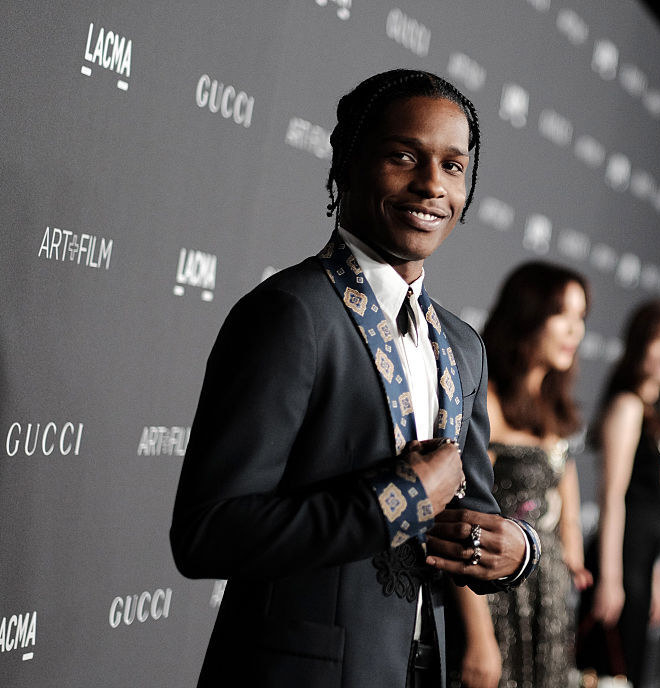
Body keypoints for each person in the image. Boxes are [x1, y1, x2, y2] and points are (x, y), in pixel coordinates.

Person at [169, 69, 539, 688]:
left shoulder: (462, 346)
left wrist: (513, 552)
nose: (431, 185)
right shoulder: (291, 314)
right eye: (403, 156)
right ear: (345, 164)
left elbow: (472, 512)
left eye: (453, 166)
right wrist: (398, 500)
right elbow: (209, 532)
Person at [449, 261, 592, 688]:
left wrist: (572, 555)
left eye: (581, 317)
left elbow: (563, 488)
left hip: (548, 601)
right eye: (561, 315)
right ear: (527, 315)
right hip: (496, 599)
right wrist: (480, 638)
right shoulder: (486, 403)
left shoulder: (555, 407)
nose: (575, 331)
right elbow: (461, 521)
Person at [577, 299, 660, 687]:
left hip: (642, 561)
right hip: (619, 558)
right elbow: (613, 498)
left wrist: (657, 575)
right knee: (608, 674)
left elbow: (657, 504)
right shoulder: (627, 406)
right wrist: (611, 577)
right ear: (640, 343)